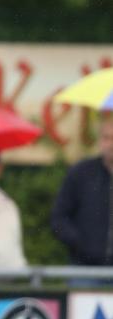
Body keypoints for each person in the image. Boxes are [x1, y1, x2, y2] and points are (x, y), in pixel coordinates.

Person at [51, 117, 113, 277]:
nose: (111, 144)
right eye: (107, 137)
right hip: (84, 270)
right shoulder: (81, 173)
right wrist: (81, 244)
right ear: (100, 140)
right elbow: (59, 218)